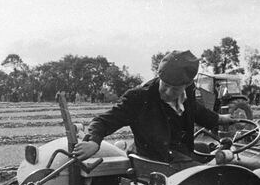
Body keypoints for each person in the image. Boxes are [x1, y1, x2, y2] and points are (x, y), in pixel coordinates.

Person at [73, 50, 233, 163]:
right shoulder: (139, 97)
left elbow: (197, 111)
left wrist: (220, 119)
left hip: (178, 153)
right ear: (159, 76)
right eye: (166, 85)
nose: (169, 92)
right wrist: (94, 142)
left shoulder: (188, 92)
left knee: (204, 148)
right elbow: (103, 121)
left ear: (187, 84)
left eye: (176, 89)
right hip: (154, 160)